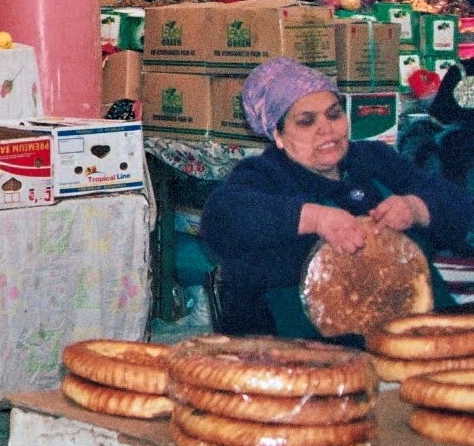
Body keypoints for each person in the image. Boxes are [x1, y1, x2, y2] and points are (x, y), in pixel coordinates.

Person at [202, 57, 474, 337]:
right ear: (278, 135)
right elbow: (220, 220)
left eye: (333, 114)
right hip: (300, 348)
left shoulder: (374, 159)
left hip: (409, 330)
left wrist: (416, 208)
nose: (326, 128)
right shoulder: (262, 175)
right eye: (306, 122)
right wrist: (314, 218)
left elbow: (459, 205)